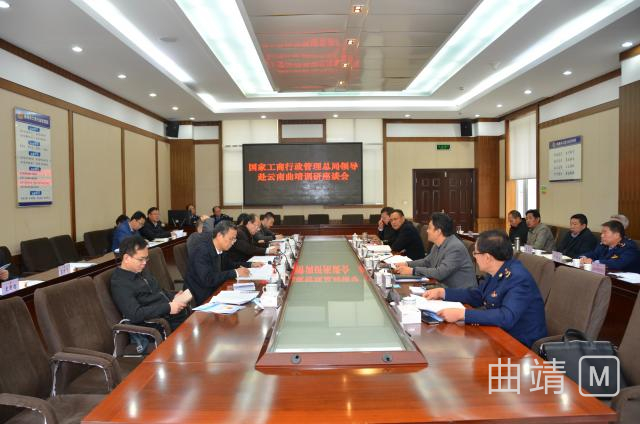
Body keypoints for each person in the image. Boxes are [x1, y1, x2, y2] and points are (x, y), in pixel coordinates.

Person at [423, 230, 547, 348]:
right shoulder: (497, 269)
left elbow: (506, 317)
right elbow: (478, 295)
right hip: (498, 333)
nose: (474, 257)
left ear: (487, 257)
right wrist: (443, 293)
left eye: (475, 253)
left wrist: (462, 314)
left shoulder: (518, 278)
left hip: (520, 344)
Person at [110, 236, 190, 331]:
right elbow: (135, 314)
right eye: (141, 259)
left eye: (146, 258)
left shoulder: (141, 270)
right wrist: (168, 308)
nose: (144, 263)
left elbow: (158, 291)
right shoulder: (119, 283)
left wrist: (173, 296)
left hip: (172, 314)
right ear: (126, 258)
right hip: (160, 324)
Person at [394, 213, 476, 289]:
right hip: (442, 287)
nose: (427, 231)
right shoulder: (437, 244)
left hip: (460, 294)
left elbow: (440, 273)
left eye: (429, 228)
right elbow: (427, 262)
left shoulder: (455, 247)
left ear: (438, 231)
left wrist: (413, 271)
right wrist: (407, 264)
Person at [186, 221, 258, 306]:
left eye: (234, 239)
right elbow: (208, 279)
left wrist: (250, 264)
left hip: (216, 289)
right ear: (219, 236)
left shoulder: (221, 248)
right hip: (202, 296)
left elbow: (229, 265)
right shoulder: (202, 251)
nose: (233, 242)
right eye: (231, 239)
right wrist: (235, 272)